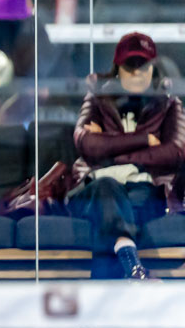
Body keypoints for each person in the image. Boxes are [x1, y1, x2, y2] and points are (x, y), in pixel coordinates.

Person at [68, 32, 185, 279]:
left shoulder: (168, 103)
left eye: (144, 67)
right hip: (97, 190)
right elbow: (86, 143)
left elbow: (174, 152)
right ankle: (131, 268)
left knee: (113, 212)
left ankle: (124, 271)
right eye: (130, 68)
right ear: (117, 70)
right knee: (107, 187)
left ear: (154, 70)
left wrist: (109, 152)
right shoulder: (97, 98)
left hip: (144, 190)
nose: (137, 74)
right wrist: (145, 141)